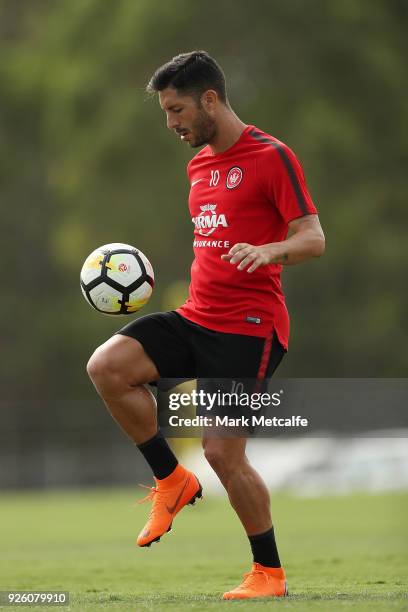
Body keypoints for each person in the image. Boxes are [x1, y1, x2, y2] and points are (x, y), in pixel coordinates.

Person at [86, 50, 325, 600]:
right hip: (196, 316)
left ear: (209, 99)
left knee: (221, 452)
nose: (171, 123)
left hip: (249, 326)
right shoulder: (198, 166)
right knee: (108, 367)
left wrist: (270, 251)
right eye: (166, 112)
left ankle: (269, 574)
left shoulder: (272, 157)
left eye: (176, 110)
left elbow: (313, 237)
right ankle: (172, 480)